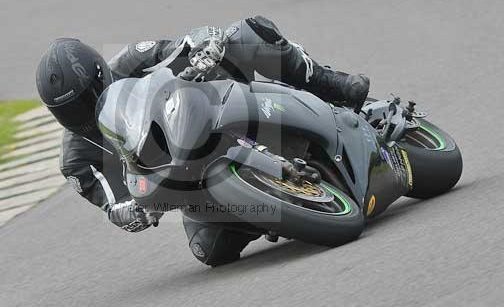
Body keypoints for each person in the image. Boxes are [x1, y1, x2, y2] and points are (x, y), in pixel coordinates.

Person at [35, 16, 369, 266]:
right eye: (67, 112)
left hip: (213, 114)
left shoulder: (130, 61)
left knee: (246, 34)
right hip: (187, 184)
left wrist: (204, 48)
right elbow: (115, 205)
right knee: (209, 251)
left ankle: (332, 86)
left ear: (99, 74)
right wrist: (133, 213)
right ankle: (278, 209)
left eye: (84, 100)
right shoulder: (77, 159)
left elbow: (187, 42)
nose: (81, 116)